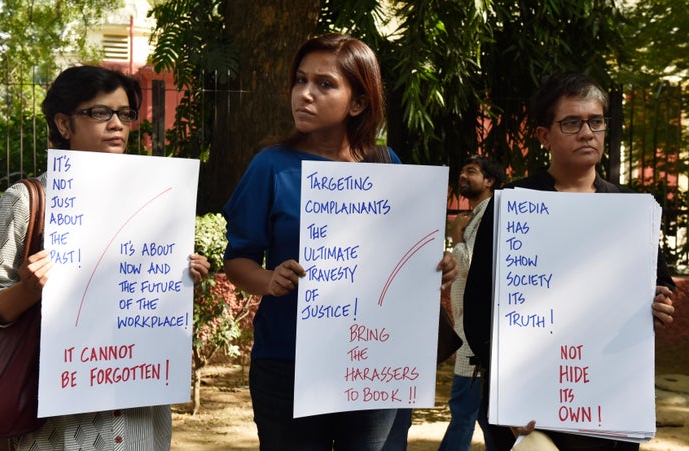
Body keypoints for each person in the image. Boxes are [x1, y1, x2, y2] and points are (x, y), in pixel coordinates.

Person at [222, 33, 458, 450]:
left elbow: (399, 257)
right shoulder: (270, 167)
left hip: (374, 364)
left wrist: (434, 264)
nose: (305, 94)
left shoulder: (389, 164)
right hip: (287, 366)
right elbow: (237, 260)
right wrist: (268, 279)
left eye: (324, 84)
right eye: (299, 80)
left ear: (358, 102)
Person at [0, 65, 211, 451]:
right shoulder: (27, 200)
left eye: (125, 113)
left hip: (137, 414)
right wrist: (28, 290)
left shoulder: (158, 200)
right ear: (64, 124)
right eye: (100, 112)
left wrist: (183, 275)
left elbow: (146, 298)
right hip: (58, 424)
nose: (117, 124)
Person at [462, 71, 676, 451]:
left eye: (596, 121)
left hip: (608, 403)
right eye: (572, 123)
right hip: (526, 413)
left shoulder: (629, 210)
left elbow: (660, 287)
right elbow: (479, 306)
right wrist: (508, 393)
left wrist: (661, 303)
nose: (588, 132)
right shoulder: (514, 204)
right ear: (544, 135)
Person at [439, 155, 504, 451]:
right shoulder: (477, 215)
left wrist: (455, 238)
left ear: (489, 181)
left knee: (463, 407)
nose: (463, 176)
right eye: (461, 170)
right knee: (480, 412)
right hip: (471, 326)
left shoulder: (488, 213)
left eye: (472, 171)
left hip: (475, 332)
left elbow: (470, 265)